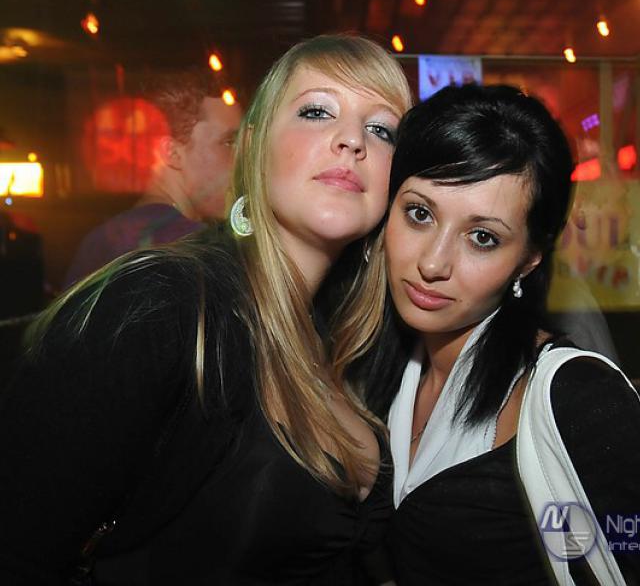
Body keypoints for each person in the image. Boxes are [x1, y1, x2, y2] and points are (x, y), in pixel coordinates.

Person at [0, 34, 412, 585]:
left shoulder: (345, 341)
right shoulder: (160, 303)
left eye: (381, 129)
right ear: (254, 147)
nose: (352, 141)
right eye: (317, 111)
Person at [351, 84, 640, 584]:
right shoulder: (380, 368)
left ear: (528, 260)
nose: (433, 263)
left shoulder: (576, 398)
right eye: (420, 213)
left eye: (482, 237)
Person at [64, 69, 243, 287]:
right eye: (228, 143)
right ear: (172, 153)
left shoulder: (98, 241)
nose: (242, 159)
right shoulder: (199, 250)